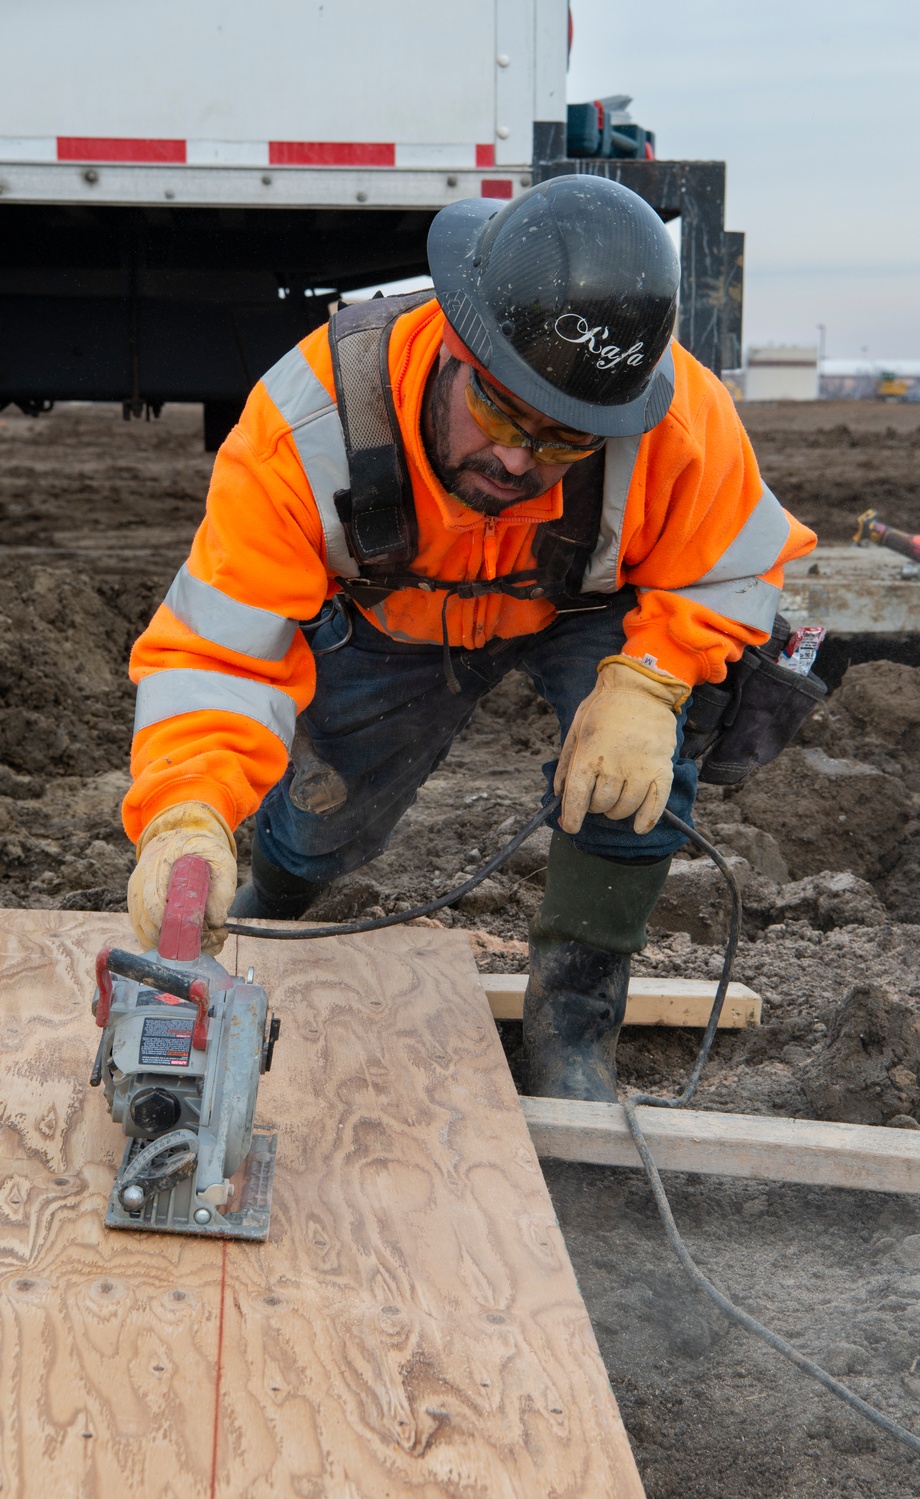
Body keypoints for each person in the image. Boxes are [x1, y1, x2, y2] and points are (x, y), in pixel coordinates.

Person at [124, 175, 815, 1101]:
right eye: (498, 413)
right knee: (323, 817)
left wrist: (651, 681)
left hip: (583, 614)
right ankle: (266, 908)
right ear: (455, 341)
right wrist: (187, 812)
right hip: (394, 620)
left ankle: (574, 1025)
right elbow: (218, 652)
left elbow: (733, 560)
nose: (519, 462)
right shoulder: (309, 422)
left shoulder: (674, 417)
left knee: (641, 773)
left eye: (564, 442)